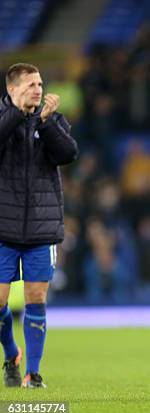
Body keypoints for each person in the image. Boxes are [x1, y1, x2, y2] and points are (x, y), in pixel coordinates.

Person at [0, 63, 78, 388]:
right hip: (3, 226)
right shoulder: (4, 118)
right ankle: (11, 353)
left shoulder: (51, 120)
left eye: (40, 83)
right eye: (31, 84)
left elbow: (68, 153)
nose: (38, 89)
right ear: (12, 89)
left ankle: (33, 373)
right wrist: (17, 115)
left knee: (36, 298)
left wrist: (45, 124)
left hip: (41, 228)